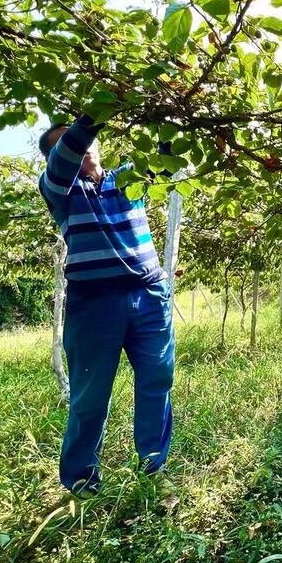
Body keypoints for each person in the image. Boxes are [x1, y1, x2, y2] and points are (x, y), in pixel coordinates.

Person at [38, 115, 176, 493]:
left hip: (149, 297)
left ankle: (153, 466)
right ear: (54, 159)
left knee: (157, 380)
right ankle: (81, 481)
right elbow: (70, 150)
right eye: (64, 144)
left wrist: (171, 119)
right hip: (94, 307)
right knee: (90, 397)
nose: (80, 145)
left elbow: (166, 160)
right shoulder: (58, 189)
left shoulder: (126, 179)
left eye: (80, 139)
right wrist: (94, 114)